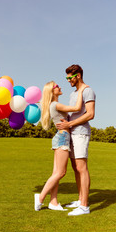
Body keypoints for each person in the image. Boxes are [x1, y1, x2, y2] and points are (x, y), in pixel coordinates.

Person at [34, 80, 88, 211]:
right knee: (61, 172)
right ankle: (40, 198)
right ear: (52, 91)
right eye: (57, 86)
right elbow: (77, 108)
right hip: (63, 138)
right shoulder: (56, 105)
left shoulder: (54, 105)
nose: (59, 87)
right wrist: (81, 91)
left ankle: (53, 202)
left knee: (56, 172)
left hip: (62, 137)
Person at [56, 64, 96, 216]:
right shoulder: (74, 94)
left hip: (80, 133)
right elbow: (72, 113)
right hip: (71, 133)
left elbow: (90, 114)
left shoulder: (88, 91)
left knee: (81, 168)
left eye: (69, 78)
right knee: (75, 169)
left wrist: (70, 123)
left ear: (77, 75)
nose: (68, 81)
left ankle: (84, 207)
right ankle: (80, 200)